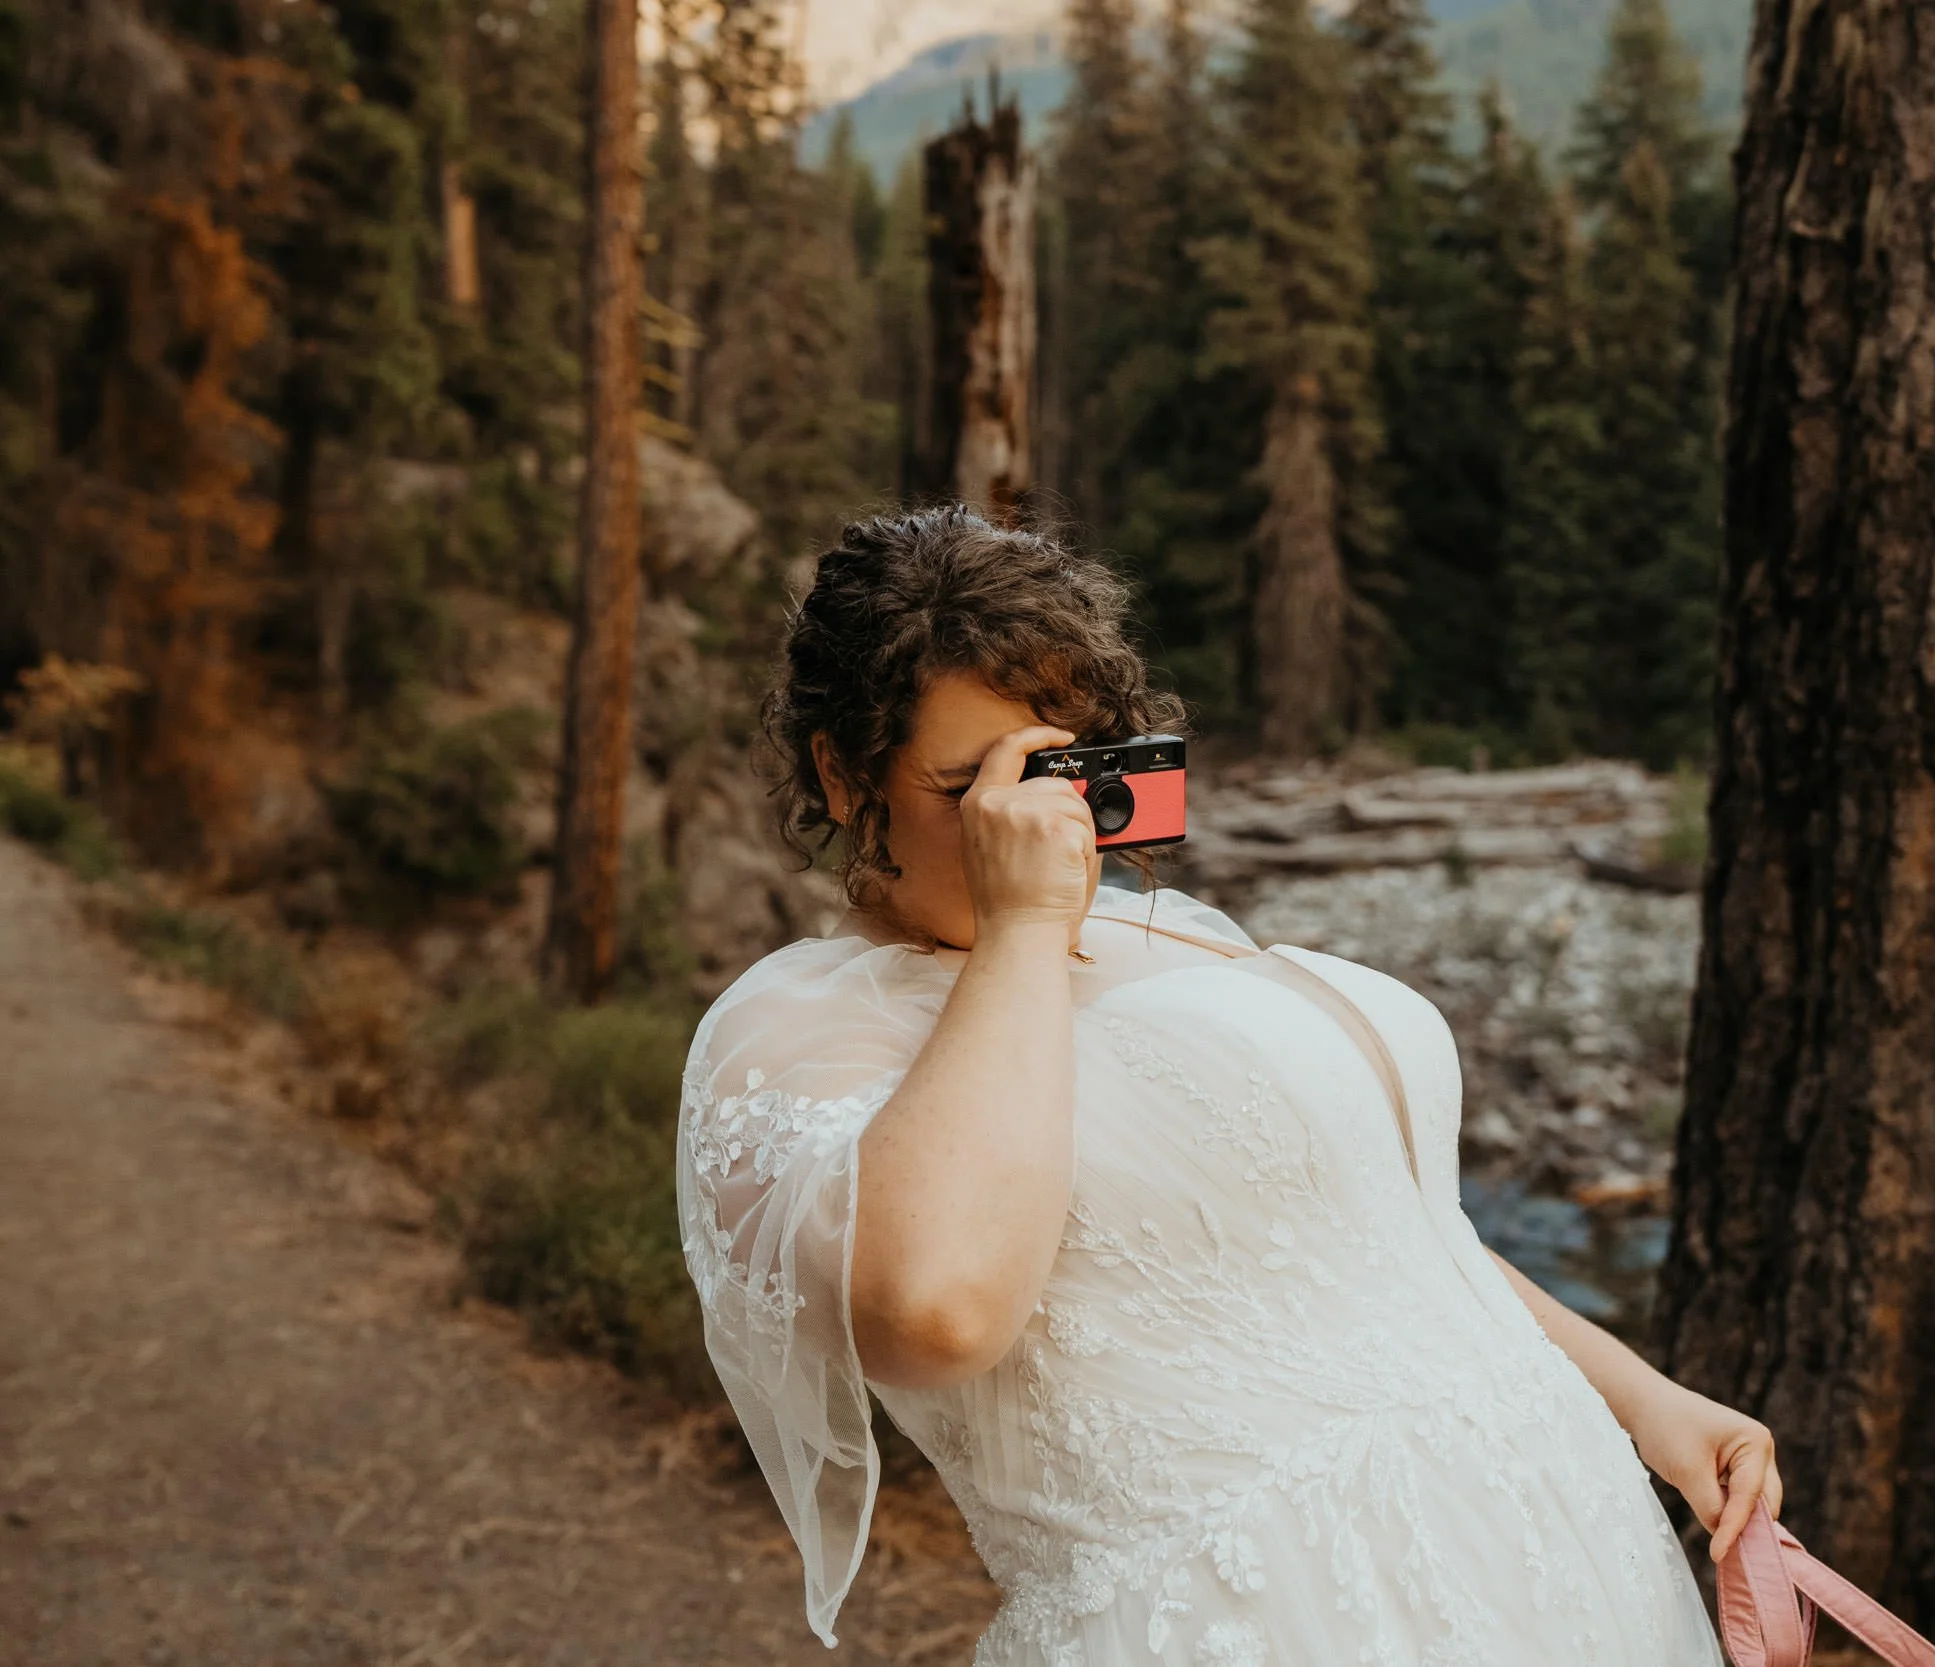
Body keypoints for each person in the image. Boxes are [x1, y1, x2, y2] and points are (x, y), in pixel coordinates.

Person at [677, 507, 1780, 1665]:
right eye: (980, 787)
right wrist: (1021, 934)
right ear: (844, 773)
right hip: (1254, 1616)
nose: (1047, 825)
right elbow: (936, 1310)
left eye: (1066, 770)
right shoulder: (792, 1027)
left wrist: (1641, 1399)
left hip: (1553, 1545)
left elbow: (1367, 1214)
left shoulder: (1175, 931)